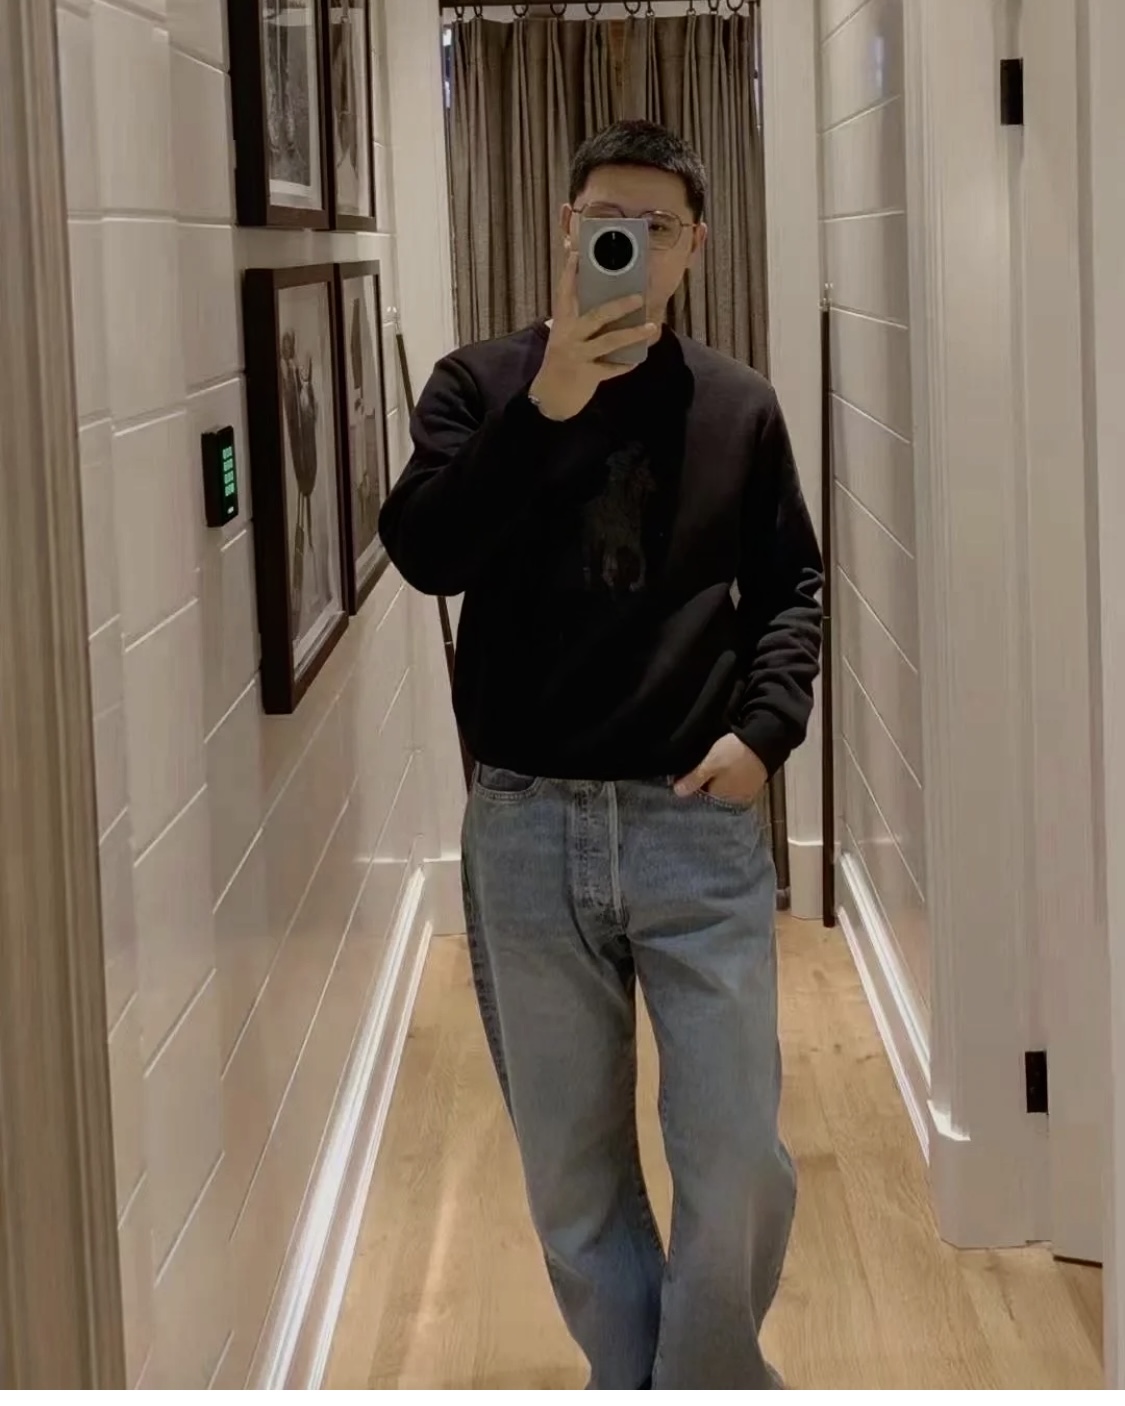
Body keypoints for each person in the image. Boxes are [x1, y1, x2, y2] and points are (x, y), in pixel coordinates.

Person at [379, 120, 823, 1391]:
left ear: (693, 248)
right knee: (571, 1172)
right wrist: (544, 412)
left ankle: (702, 1379)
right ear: (565, 228)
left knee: (735, 1154)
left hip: (695, 819)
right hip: (527, 823)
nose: (626, 241)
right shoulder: (479, 386)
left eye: (655, 225)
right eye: (602, 220)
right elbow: (425, 554)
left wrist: (766, 732)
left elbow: (791, 585)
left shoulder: (738, 404)